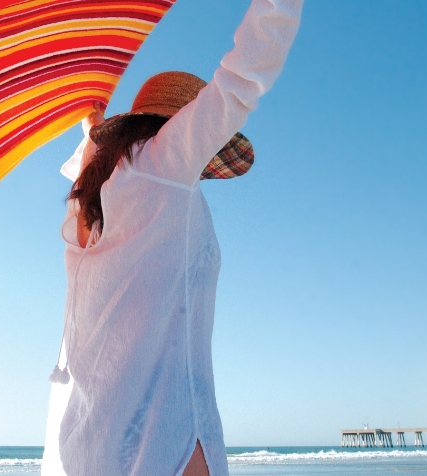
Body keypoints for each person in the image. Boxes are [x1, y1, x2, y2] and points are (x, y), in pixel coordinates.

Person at [42, 1, 302, 475]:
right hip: (164, 432)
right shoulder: (169, 162)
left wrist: (91, 131)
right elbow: (242, 78)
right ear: (181, 124)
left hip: (91, 438)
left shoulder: (92, 194)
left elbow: (90, 158)